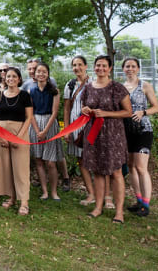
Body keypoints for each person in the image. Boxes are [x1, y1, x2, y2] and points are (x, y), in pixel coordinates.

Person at [80, 55, 132, 224]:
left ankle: (119, 212)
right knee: (97, 171)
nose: (100, 68)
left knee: (116, 172)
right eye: (97, 65)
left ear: (110, 68)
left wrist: (107, 113)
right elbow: (84, 107)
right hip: (94, 135)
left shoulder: (117, 88)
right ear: (94, 67)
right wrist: (86, 110)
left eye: (104, 66)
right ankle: (98, 207)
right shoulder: (88, 87)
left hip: (113, 135)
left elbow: (128, 112)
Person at [0, 67, 33, 216]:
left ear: (19, 79)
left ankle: (24, 202)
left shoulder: (24, 95)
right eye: (8, 76)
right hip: (1, 133)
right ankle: (12, 197)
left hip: (19, 133)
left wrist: (19, 137)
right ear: (5, 79)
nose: (11, 79)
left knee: (21, 168)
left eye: (14, 76)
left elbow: (29, 117)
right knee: (6, 167)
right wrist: (1, 136)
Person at [122, 58, 158, 217]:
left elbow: (156, 107)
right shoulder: (120, 87)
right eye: (127, 66)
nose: (130, 69)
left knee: (141, 167)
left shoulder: (145, 85)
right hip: (126, 130)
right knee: (131, 166)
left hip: (143, 129)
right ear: (123, 69)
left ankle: (146, 203)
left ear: (138, 69)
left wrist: (143, 112)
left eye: (133, 66)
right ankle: (138, 200)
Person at [63, 55, 95, 205]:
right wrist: (67, 129)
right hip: (76, 129)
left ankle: (106, 195)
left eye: (80, 64)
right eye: (74, 65)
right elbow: (67, 108)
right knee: (81, 161)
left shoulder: (95, 83)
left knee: (98, 160)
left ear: (86, 66)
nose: (77, 68)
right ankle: (91, 193)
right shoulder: (70, 85)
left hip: (93, 127)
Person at [29, 63, 63, 201]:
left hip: (50, 124)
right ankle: (44, 191)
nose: (41, 74)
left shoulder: (54, 91)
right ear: (35, 74)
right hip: (36, 123)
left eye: (44, 72)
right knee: (38, 160)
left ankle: (54, 191)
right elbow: (30, 113)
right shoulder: (31, 91)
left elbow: (55, 113)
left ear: (48, 74)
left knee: (50, 162)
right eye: (38, 72)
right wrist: (37, 130)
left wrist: (45, 131)